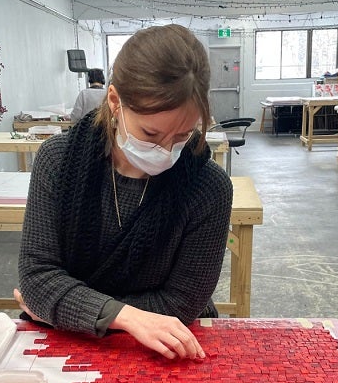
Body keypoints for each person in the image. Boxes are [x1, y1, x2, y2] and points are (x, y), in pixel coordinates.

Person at [16, 24, 233, 361]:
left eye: (182, 136)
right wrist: (125, 317)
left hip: (169, 348)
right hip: (79, 347)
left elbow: (182, 303)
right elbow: (38, 277)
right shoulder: (59, 162)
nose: (165, 151)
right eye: (150, 133)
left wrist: (67, 308)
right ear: (115, 101)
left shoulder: (208, 189)